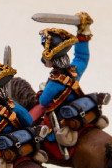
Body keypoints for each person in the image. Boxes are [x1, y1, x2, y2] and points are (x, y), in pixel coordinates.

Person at [32, 12, 106, 144]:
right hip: (78, 104)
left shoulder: (54, 83)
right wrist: (83, 32)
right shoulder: (74, 71)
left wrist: (42, 92)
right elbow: (82, 57)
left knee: (38, 129)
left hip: (63, 115)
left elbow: (44, 101)